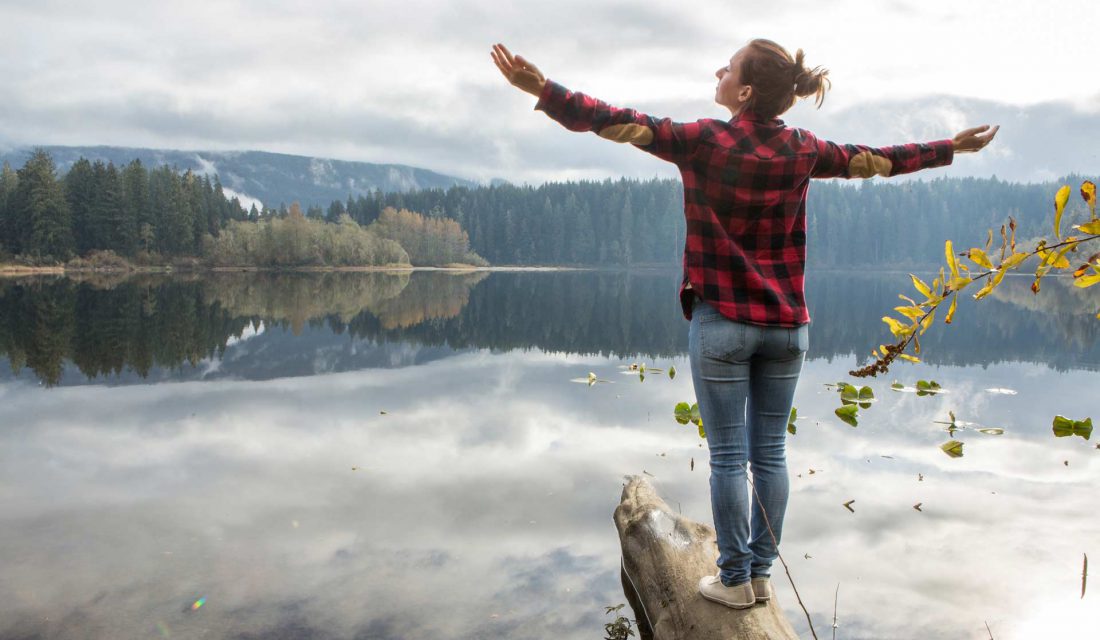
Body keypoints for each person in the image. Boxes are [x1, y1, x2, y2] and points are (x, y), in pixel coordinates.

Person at [491, 40, 997, 610]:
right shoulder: (804, 148)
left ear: (747, 90)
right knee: (771, 454)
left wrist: (544, 91)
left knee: (729, 458)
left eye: (728, 68)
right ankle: (758, 575)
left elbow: (618, 123)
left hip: (723, 322)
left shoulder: (704, 140)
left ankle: (733, 578)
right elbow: (874, 160)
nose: (719, 72)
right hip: (787, 328)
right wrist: (947, 148)